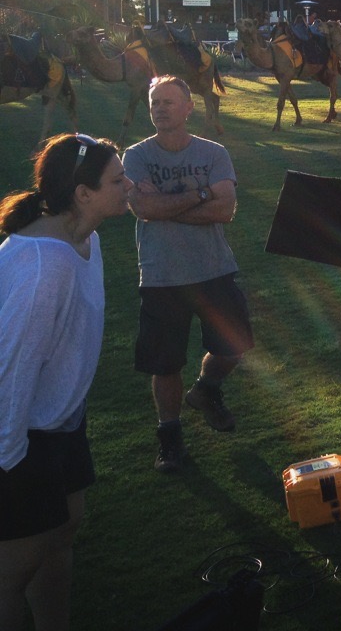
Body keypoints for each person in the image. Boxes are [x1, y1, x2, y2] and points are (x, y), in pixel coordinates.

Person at [1, 133, 133, 631]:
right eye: (118, 180)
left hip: (60, 422)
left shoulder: (86, 239)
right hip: (17, 438)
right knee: (9, 578)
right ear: (83, 193)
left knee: (62, 532)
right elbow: (10, 371)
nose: (130, 186)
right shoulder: (42, 266)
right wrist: (7, 461)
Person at [123, 75, 252, 473]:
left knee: (234, 346)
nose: (160, 108)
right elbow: (143, 209)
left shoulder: (214, 153)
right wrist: (200, 194)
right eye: (154, 102)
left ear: (188, 107)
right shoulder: (136, 156)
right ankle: (170, 437)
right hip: (161, 274)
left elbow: (225, 210)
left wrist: (166, 202)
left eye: (168, 102)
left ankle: (206, 389)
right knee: (166, 365)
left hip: (213, 268)